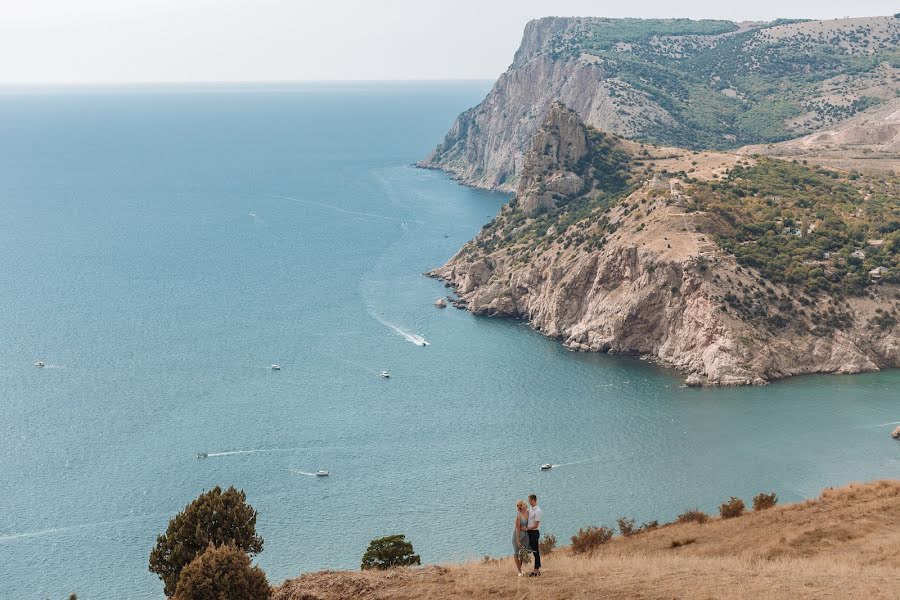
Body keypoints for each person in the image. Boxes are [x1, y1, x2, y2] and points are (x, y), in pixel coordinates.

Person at [512, 500, 531, 576]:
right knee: (516, 552)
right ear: (520, 507)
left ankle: (520, 568)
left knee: (523, 552)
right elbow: (517, 529)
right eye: (523, 504)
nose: (525, 504)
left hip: (525, 535)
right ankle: (519, 571)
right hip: (518, 536)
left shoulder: (528, 512)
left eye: (525, 503)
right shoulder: (518, 516)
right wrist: (518, 541)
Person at [526, 493, 542, 576]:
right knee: (533, 551)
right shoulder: (531, 509)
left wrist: (526, 528)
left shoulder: (538, 511)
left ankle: (536, 570)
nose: (528, 502)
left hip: (534, 533)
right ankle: (537, 569)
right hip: (530, 532)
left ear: (533, 500)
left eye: (529, 500)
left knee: (536, 552)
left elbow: (536, 525)